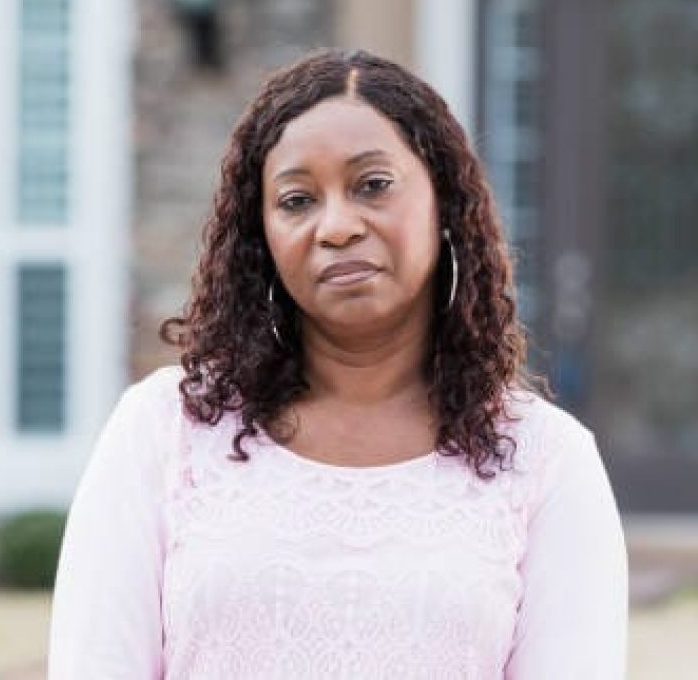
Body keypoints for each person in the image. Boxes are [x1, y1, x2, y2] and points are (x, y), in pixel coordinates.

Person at [47, 48, 629, 679]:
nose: (337, 226)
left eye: (372, 185)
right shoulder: (165, 431)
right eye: (297, 200)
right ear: (261, 237)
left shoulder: (545, 460)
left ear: (445, 208)